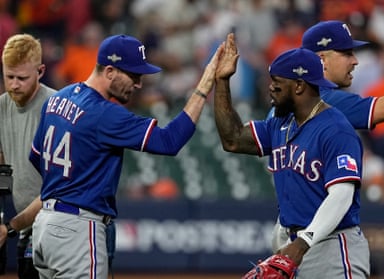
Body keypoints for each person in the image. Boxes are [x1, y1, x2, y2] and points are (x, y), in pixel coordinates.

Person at [0, 34, 222, 278]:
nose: (138, 84)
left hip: (44, 229)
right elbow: (169, 141)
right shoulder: (105, 114)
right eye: (133, 75)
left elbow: (37, 159)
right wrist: (204, 86)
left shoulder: (58, 99)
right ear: (109, 71)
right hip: (78, 228)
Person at [268, 3, 384, 253]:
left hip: (299, 233)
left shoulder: (283, 105)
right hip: (325, 240)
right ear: (321, 59)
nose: (355, 61)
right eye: (346, 53)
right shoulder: (326, 102)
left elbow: (236, 140)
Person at [215, 33, 370, 278]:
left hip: (333, 248)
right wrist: (222, 81)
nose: (271, 87)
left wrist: (302, 243)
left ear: (299, 85)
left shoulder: (337, 129)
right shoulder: (280, 124)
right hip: (294, 245)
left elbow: (341, 196)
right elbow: (232, 139)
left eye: (277, 81)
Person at [0, 33, 56, 279]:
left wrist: (9, 228)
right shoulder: (1, 107)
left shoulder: (56, 108)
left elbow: (57, 188)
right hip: (27, 226)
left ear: (41, 71)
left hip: (58, 224)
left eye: (21, 78)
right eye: (9, 76)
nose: (14, 85)